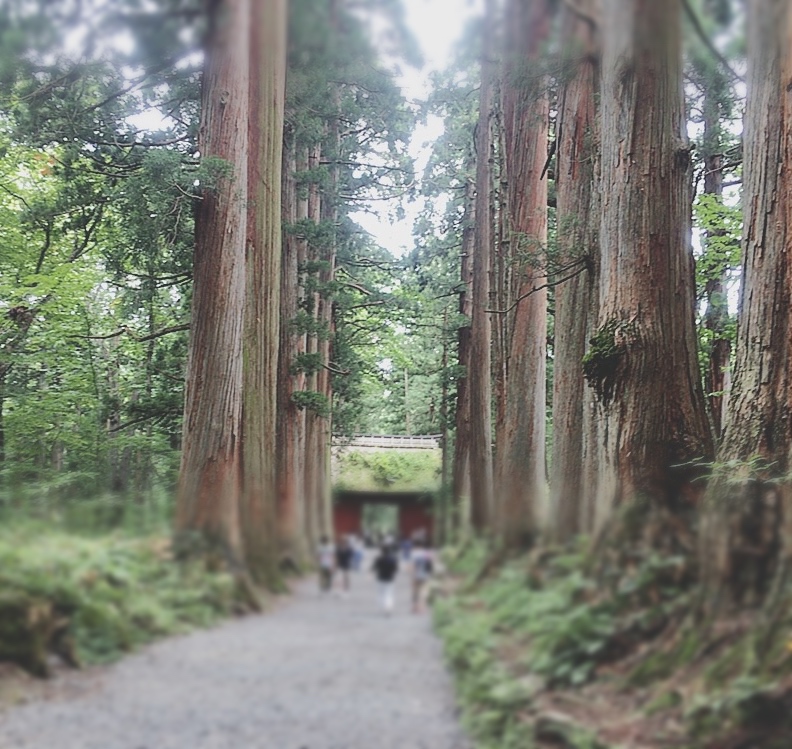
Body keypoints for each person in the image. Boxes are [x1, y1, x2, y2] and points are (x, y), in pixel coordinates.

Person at [372, 543, 399, 615]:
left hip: (380, 577)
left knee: (380, 593)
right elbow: (396, 569)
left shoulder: (378, 558)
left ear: (381, 550)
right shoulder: (393, 559)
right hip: (390, 578)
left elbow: (373, 568)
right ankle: (388, 607)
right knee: (389, 594)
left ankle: (381, 607)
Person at [410, 539, 434, 613]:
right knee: (424, 591)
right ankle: (423, 607)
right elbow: (431, 565)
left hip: (416, 575)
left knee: (415, 591)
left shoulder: (414, 553)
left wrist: (411, 574)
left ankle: (415, 607)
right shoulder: (428, 553)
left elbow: (412, 566)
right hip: (426, 575)